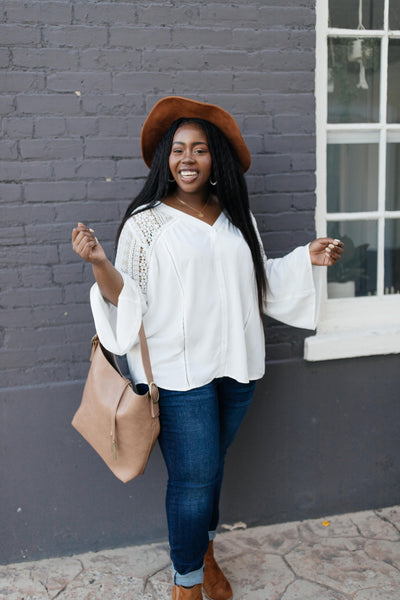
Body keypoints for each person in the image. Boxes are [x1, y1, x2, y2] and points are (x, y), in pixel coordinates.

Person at [71, 96, 343, 600]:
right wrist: (99, 263)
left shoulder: (236, 214)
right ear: (165, 159)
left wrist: (305, 257)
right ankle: (187, 583)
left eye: (199, 148)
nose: (188, 158)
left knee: (211, 468)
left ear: (215, 156)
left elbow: (257, 278)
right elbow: (125, 297)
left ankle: (205, 549)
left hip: (237, 366)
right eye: (178, 149)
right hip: (179, 374)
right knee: (194, 480)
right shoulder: (145, 223)